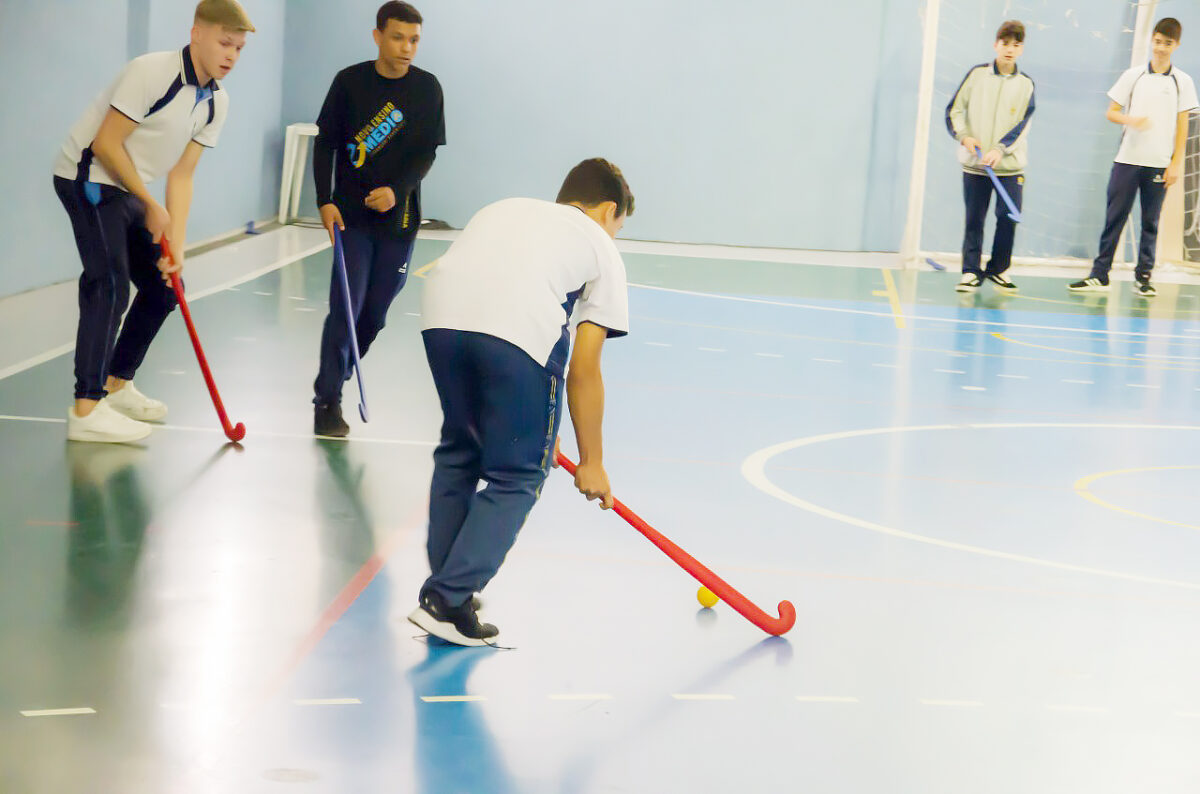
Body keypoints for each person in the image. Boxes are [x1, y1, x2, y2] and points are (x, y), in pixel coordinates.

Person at [409, 158, 634, 646]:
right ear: (608, 211)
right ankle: (447, 599)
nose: (614, 236)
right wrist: (592, 462)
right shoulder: (601, 247)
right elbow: (585, 367)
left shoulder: (506, 209)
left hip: (440, 317)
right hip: (514, 331)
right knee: (520, 474)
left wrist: (535, 423)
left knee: (461, 452)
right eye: (619, 227)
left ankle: (450, 595)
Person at [53, 0, 254, 443]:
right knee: (109, 283)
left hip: (128, 188)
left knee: (165, 288)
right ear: (196, 33)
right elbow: (106, 144)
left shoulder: (216, 102)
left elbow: (182, 176)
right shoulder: (151, 72)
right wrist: (149, 202)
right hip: (87, 177)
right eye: (225, 43)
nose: (231, 56)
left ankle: (116, 383)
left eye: (239, 48)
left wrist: (176, 248)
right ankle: (86, 410)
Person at [311, 0, 445, 437]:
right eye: (398, 37)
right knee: (345, 310)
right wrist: (323, 201)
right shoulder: (349, 83)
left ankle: (341, 371)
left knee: (374, 316)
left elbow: (426, 154)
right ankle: (328, 399)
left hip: (399, 223)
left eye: (414, 40)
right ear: (377, 37)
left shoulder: (427, 89)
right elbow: (325, 144)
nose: (407, 48)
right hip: (350, 220)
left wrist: (397, 191)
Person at [1069, 17, 1198, 297]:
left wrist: (1176, 163)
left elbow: (1183, 125)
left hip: (1159, 164)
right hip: (1127, 160)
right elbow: (1111, 111)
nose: (1161, 47)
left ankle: (1144, 277)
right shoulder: (1133, 75)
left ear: (1176, 45)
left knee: (1150, 222)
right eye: (1158, 41)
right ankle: (1099, 275)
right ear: (1152, 40)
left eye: (1168, 43)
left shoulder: (1182, 82)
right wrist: (1132, 120)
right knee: (1114, 218)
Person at [945, 19, 1036, 294]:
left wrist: (999, 150)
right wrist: (965, 136)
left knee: (1008, 217)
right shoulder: (976, 75)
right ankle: (971, 271)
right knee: (974, 219)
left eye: (1016, 45)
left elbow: (1023, 124)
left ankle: (998, 270)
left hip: (1009, 167)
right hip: (975, 166)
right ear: (996, 45)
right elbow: (955, 110)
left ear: (1021, 49)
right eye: (1005, 43)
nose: (1010, 49)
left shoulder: (1025, 84)